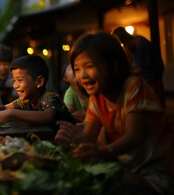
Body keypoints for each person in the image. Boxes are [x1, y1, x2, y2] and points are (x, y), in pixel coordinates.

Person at [55, 32, 174, 194]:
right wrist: (74, 140)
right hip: (126, 166)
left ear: (114, 65)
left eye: (89, 66)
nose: (82, 75)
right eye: (77, 69)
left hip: (156, 172)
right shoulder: (97, 97)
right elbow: (89, 137)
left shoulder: (133, 85)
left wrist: (102, 152)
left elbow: (134, 136)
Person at [0, 54, 75, 131]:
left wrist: (11, 113)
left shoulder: (50, 95)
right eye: (14, 80)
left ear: (39, 82)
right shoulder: (26, 100)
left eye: (20, 80)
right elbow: (5, 107)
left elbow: (47, 117)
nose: (15, 85)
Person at [112, 27, 166, 108]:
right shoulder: (132, 44)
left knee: (155, 107)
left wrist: (128, 73)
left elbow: (143, 68)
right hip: (147, 80)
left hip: (152, 81)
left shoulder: (141, 45)